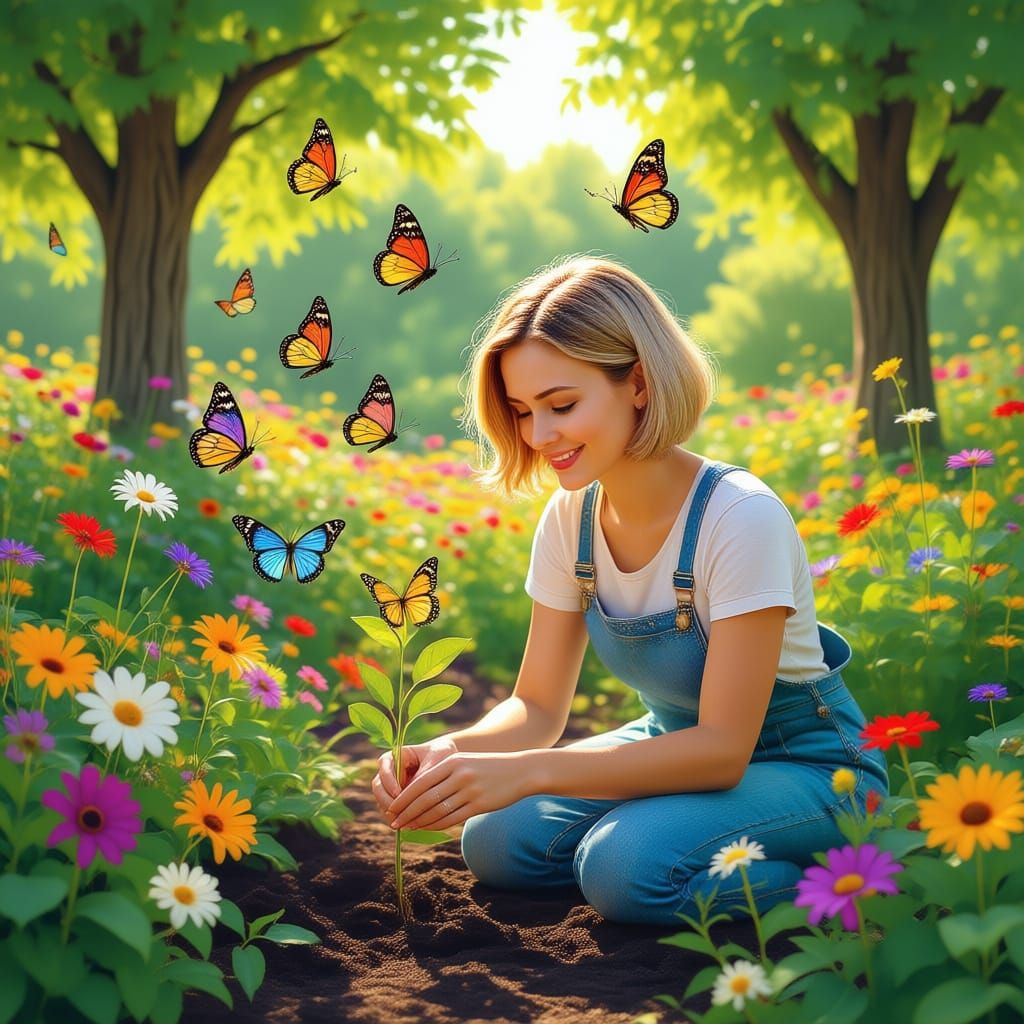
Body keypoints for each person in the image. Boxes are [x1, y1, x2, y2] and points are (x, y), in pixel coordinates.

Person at [373, 255, 888, 926]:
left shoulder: (740, 517)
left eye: (561, 405)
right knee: (495, 840)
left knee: (624, 869)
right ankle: (668, 842)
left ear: (639, 384)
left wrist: (534, 772)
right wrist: (454, 749)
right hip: (672, 744)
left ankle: (851, 884)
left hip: (813, 770)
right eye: (523, 411)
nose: (539, 436)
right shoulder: (571, 520)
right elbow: (535, 707)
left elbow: (724, 748)